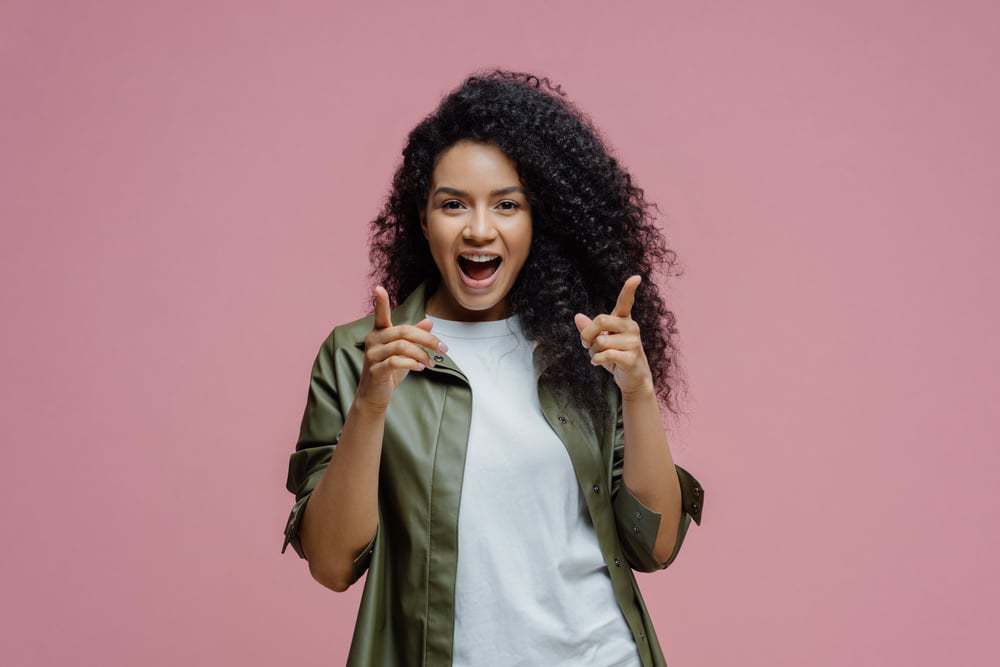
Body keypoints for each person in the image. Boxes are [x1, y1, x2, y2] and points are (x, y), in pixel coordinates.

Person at [281, 69, 705, 667]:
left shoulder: (585, 347)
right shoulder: (361, 355)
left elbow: (655, 546)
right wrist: (371, 405)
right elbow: (330, 564)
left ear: (538, 222)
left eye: (507, 205)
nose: (480, 229)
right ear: (423, 220)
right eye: (453, 204)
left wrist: (638, 392)